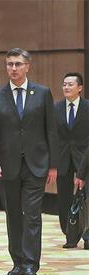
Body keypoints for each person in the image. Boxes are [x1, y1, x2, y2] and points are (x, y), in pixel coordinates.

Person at [0, 48, 58, 275]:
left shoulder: (43, 93)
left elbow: (51, 130)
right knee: (14, 215)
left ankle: (30, 264)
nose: (13, 68)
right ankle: (17, 261)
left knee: (33, 214)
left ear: (28, 66)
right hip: (7, 165)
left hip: (37, 164)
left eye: (18, 64)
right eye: (9, 64)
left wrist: (53, 164)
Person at [55, 72, 89, 249]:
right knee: (64, 198)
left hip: (85, 157)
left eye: (70, 84)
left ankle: (88, 236)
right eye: (64, 84)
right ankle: (69, 234)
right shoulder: (56, 108)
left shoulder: (87, 108)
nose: (66, 87)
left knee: (87, 198)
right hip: (63, 160)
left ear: (80, 88)